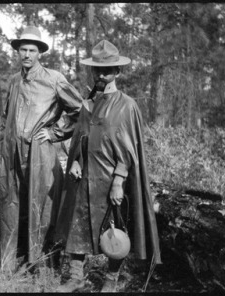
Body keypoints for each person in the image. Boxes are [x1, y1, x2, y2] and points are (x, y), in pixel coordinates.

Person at [54, 39, 162, 292]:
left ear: (117, 72)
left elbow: (129, 149)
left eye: (107, 70)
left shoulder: (127, 105)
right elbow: (80, 137)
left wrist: (118, 181)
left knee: (116, 227)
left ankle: (111, 280)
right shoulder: (87, 103)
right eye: (97, 70)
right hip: (84, 178)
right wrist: (76, 162)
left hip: (110, 179)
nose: (101, 75)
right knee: (77, 225)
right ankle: (76, 277)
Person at [0, 26, 83, 273]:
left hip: (40, 153)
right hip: (13, 153)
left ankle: (42, 264)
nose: (26, 54)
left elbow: (79, 111)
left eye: (32, 50)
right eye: (23, 49)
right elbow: (7, 116)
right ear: (17, 51)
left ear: (39, 53)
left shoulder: (53, 79)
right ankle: (12, 262)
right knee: (12, 204)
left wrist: (55, 133)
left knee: (42, 207)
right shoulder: (14, 81)